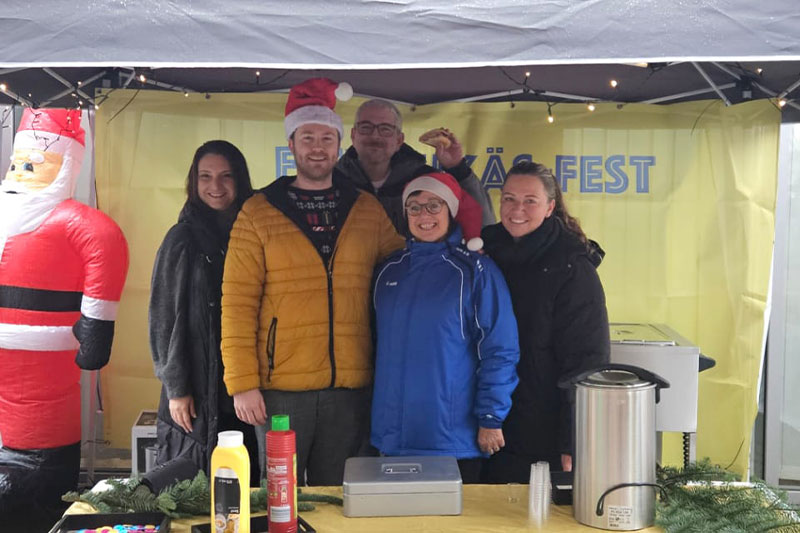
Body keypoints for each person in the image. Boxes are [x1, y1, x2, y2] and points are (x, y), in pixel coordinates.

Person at [221, 78, 404, 486]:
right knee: (279, 495)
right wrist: (243, 384)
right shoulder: (258, 211)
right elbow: (236, 303)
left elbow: (402, 271)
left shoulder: (366, 208)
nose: (317, 147)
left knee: (338, 497)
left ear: (341, 144)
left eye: (326, 137)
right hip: (280, 390)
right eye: (308, 137)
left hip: (351, 387)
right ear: (292, 144)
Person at [0, 109, 129, 531]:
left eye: (34, 166)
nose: (22, 174)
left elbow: (105, 242)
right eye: (18, 165)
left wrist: (96, 328)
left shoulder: (73, 222)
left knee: (38, 473)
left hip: (48, 373)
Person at [370, 171, 520, 483]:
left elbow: (499, 350)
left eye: (434, 205)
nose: (424, 215)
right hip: (393, 438)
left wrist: (491, 417)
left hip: (453, 440)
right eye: (414, 207)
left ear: (450, 211)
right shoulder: (388, 271)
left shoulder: (475, 270)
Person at [480, 161, 610, 483]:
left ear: (550, 207)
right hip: (487, 424)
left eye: (530, 201)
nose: (516, 209)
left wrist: (572, 436)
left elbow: (587, 359)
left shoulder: (571, 266)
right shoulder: (485, 253)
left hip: (543, 428)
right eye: (509, 199)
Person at [149, 140, 260, 482]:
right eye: (206, 176)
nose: (216, 186)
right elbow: (163, 321)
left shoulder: (255, 231)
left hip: (245, 385)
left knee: (246, 483)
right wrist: (177, 389)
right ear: (193, 183)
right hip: (197, 389)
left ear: (240, 179)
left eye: (226, 176)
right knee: (198, 487)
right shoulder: (182, 238)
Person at [336, 98, 496, 233]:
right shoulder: (332, 181)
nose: (375, 135)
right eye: (366, 127)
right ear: (353, 135)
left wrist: (457, 169)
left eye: (385, 129)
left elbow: (484, 228)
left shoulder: (427, 180)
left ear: (399, 140)